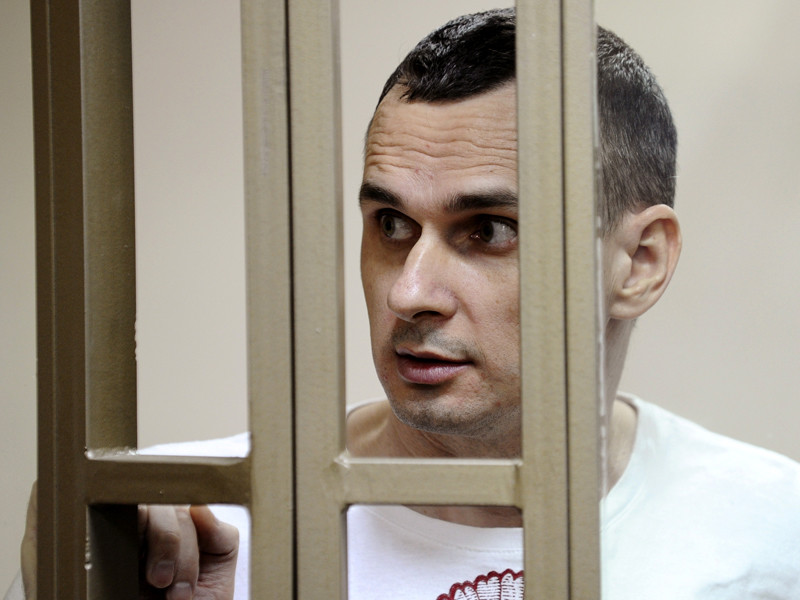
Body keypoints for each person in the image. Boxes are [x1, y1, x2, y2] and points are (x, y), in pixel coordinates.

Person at [7, 7, 800, 600]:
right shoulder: (191, 532)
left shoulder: (771, 532)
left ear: (641, 262)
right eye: (390, 223)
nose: (408, 292)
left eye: (488, 230)